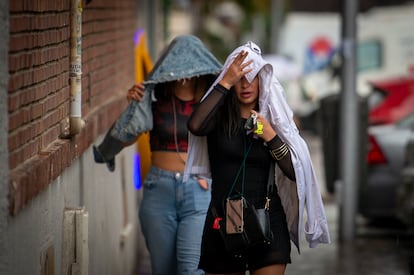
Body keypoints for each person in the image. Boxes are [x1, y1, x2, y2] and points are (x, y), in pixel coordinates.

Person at [185, 41, 331, 274]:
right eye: (240, 78)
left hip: (267, 221)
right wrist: (225, 81)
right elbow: (194, 125)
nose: (246, 84)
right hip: (223, 221)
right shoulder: (218, 118)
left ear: (263, 81)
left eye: (253, 77)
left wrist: (269, 135)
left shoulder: (275, 121)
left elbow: (294, 172)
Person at [97, 35, 222, 275]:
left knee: (191, 270)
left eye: (190, 64)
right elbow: (127, 137)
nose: (184, 71)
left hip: (198, 190)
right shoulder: (154, 101)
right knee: (163, 270)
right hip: (159, 188)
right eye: (178, 62)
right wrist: (133, 107)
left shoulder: (211, 103)